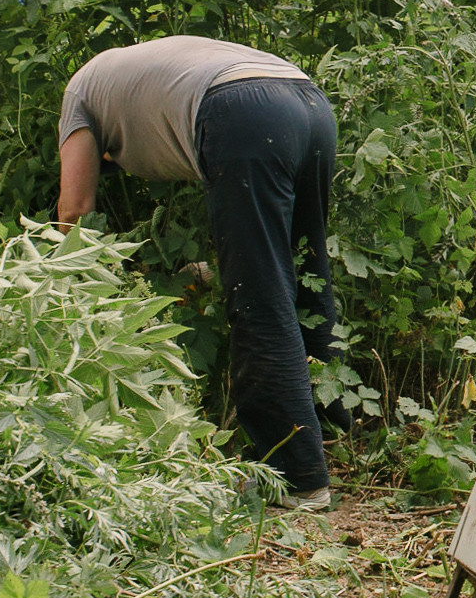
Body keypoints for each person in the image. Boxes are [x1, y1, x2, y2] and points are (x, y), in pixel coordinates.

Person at [55, 36, 342, 510]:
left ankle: (298, 478)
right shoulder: (130, 74)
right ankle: (332, 429)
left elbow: (76, 207)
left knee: (259, 295)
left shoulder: (78, 96)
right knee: (307, 269)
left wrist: (58, 276)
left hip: (242, 110)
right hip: (307, 101)